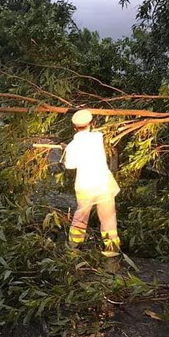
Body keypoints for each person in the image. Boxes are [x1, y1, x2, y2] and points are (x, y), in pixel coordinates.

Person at [63, 109, 121, 257]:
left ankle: (74, 247)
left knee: (81, 215)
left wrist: (66, 150)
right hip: (103, 183)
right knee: (108, 216)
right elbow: (91, 136)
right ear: (91, 124)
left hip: (85, 186)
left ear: (74, 127)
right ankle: (112, 248)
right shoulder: (97, 137)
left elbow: (70, 165)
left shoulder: (72, 146)